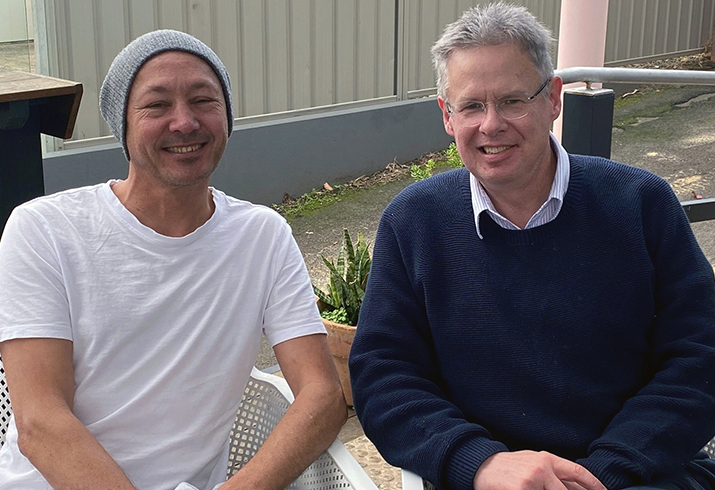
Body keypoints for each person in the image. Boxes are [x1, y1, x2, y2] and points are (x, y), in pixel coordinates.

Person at [349, 3, 715, 490]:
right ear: (446, 115)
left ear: (554, 99)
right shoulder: (414, 221)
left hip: (633, 474)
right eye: (471, 106)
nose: (491, 124)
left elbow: (700, 355)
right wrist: (478, 463)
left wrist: (601, 472)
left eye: (513, 100)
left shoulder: (639, 203)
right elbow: (384, 375)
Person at [0, 29, 346, 490]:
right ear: (121, 123)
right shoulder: (44, 230)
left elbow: (322, 395)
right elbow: (41, 422)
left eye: (204, 100)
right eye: (156, 105)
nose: (184, 122)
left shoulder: (263, 237)